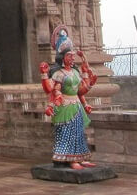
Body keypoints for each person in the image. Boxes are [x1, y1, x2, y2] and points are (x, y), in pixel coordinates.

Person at [39, 25, 97, 169]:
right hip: (64, 107)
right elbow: (51, 89)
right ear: (62, 57)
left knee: (79, 133)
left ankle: (81, 157)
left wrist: (89, 85)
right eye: (69, 55)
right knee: (67, 133)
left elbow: (80, 91)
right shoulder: (59, 73)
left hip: (76, 106)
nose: (72, 58)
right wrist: (44, 74)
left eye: (72, 55)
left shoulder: (75, 72)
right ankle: (70, 159)